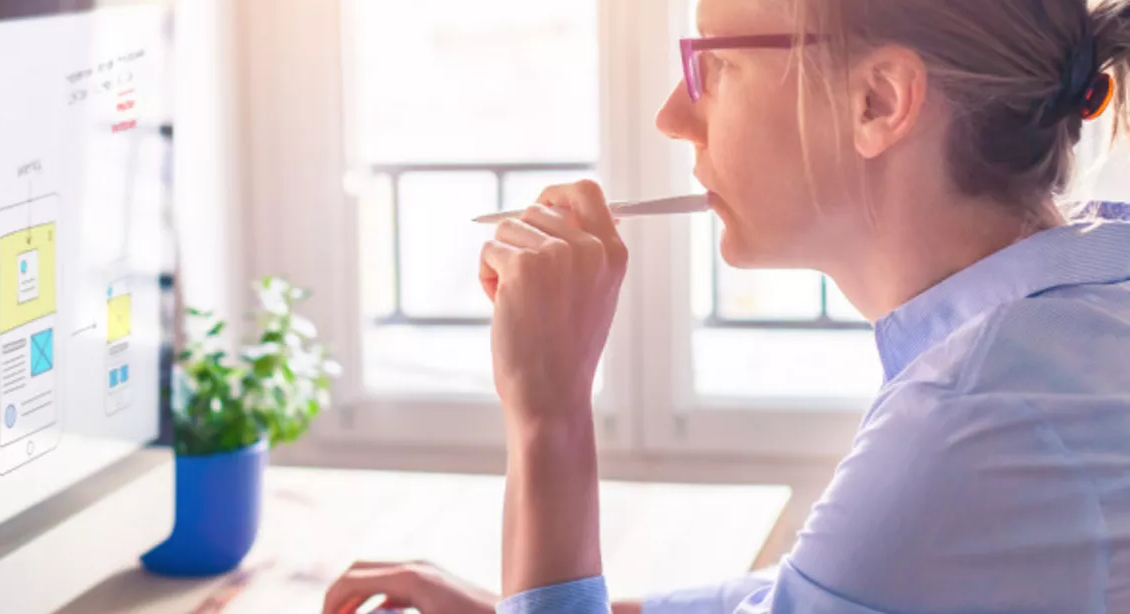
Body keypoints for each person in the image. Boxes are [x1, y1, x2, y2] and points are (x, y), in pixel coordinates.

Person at [325, 0, 1130, 612]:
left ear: (879, 102)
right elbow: (814, 589)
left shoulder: (969, 423)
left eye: (714, 65)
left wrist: (550, 415)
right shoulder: (1082, 305)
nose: (673, 116)